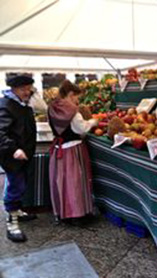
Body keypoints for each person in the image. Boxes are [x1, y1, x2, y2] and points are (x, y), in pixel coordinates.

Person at [48, 80, 97, 223]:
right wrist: (93, 122)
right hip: (72, 150)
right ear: (70, 94)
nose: (77, 100)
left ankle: (64, 212)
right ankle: (77, 215)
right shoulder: (72, 110)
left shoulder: (52, 107)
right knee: (75, 182)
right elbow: (80, 129)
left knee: (62, 183)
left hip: (59, 149)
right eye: (77, 97)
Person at [0, 75, 38, 242]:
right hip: (12, 156)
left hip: (24, 155)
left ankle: (16, 212)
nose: (27, 91)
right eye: (23, 89)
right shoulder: (5, 105)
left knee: (21, 185)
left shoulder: (23, 104)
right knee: (16, 186)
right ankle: (11, 222)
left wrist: (33, 94)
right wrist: (14, 150)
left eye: (29, 88)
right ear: (13, 89)